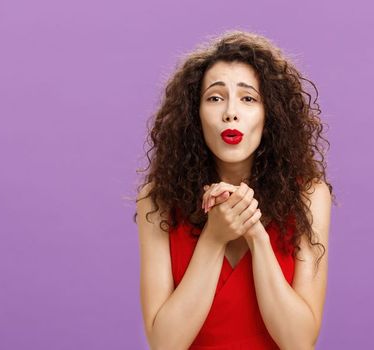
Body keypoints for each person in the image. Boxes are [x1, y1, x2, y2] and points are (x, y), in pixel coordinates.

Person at [134, 30, 335, 349]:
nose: (230, 112)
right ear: (194, 115)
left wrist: (255, 233)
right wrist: (214, 238)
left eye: (248, 98)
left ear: (270, 115)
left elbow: (299, 342)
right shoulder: (156, 201)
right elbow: (164, 343)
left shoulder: (310, 196)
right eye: (215, 98)